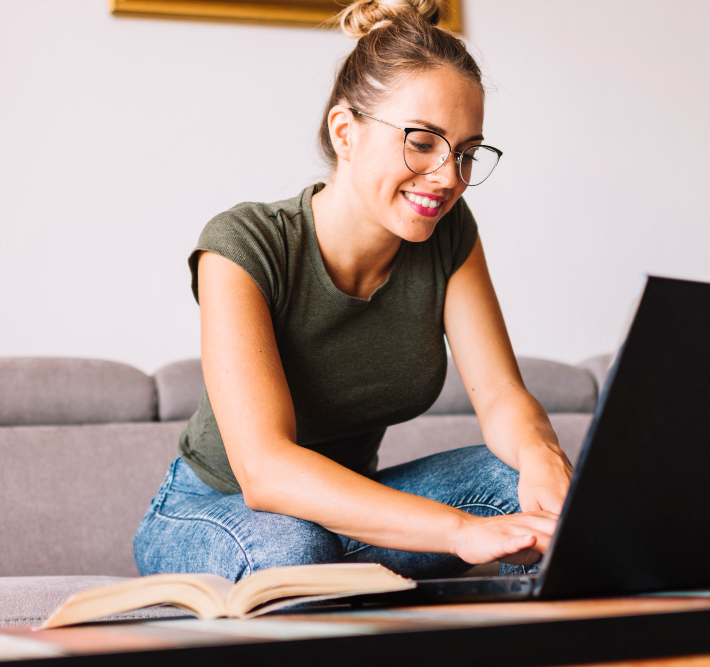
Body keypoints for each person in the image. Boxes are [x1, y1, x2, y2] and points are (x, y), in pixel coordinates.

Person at [133, 0, 574, 582]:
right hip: (215, 510)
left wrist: (544, 460)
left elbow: (499, 397)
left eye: (466, 152)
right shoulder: (243, 244)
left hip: (350, 511)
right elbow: (265, 470)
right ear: (345, 132)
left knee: (522, 494)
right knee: (292, 548)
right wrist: (459, 532)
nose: (449, 178)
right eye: (423, 142)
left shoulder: (449, 236)